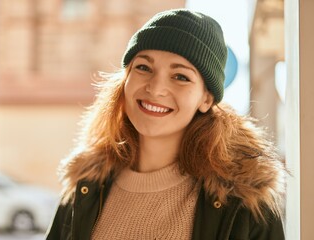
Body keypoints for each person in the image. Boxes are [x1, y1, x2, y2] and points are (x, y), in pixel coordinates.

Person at [46, 8, 287, 240]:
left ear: (206, 98)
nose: (155, 88)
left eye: (180, 76)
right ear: (126, 79)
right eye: (143, 67)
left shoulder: (245, 201)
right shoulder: (87, 185)